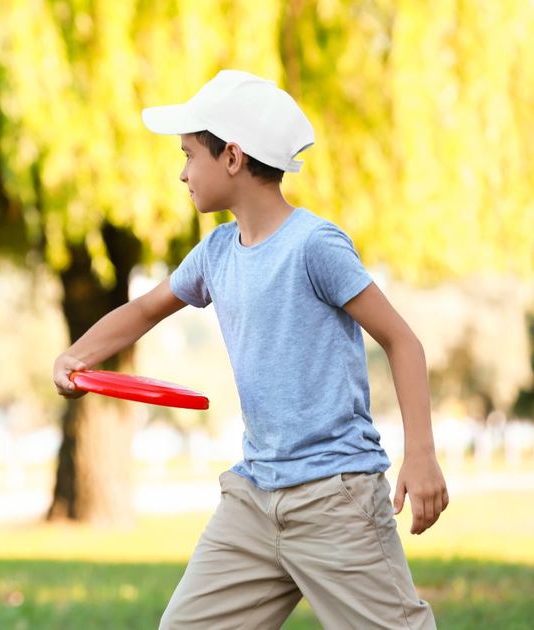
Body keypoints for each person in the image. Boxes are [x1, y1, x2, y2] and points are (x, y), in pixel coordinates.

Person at [52, 70, 448, 629]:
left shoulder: (315, 246)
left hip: (335, 500)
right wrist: (78, 356)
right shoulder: (216, 253)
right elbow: (143, 310)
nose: (182, 172)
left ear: (233, 158)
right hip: (255, 500)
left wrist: (422, 454)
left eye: (190, 155)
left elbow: (402, 341)